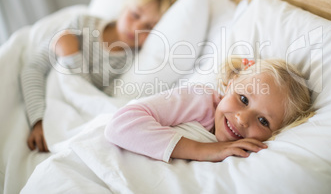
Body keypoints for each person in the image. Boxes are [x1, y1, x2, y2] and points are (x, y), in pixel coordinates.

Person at [21, 0, 186, 152]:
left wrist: (71, 56)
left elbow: (89, 98)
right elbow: (33, 67)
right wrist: (38, 121)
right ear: (125, 6)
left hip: (66, 111)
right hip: (42, 99)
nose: (137, 27)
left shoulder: (129, 63)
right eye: (135, 15)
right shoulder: (81, 25)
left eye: (149, 27)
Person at [104, 58, 314, 162]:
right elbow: (120, 124)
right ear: (230, 83)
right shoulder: (199, 100)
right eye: (243, 99)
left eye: (264, 121)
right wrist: (206, 150)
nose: (242, 119)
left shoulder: (253, 155)